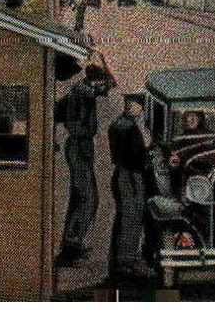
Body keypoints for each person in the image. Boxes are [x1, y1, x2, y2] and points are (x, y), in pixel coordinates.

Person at [56, 54, 115, 266]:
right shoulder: (83, 90)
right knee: (89, 199)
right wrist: (102, 59)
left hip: (81, 146)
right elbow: (111, 84)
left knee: (79, 197)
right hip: (79, 146)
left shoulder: (79, 89)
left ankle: (71, 244)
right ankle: (71, 245)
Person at [108, 93, 153, 283]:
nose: (137, 108)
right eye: (137, 105)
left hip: (123, 173)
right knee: (132, 218)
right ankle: (126, 263)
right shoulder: (130, 127)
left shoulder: (118, 124)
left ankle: (122, 260)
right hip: (131, 175)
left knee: (126, 218)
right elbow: (141, 151)